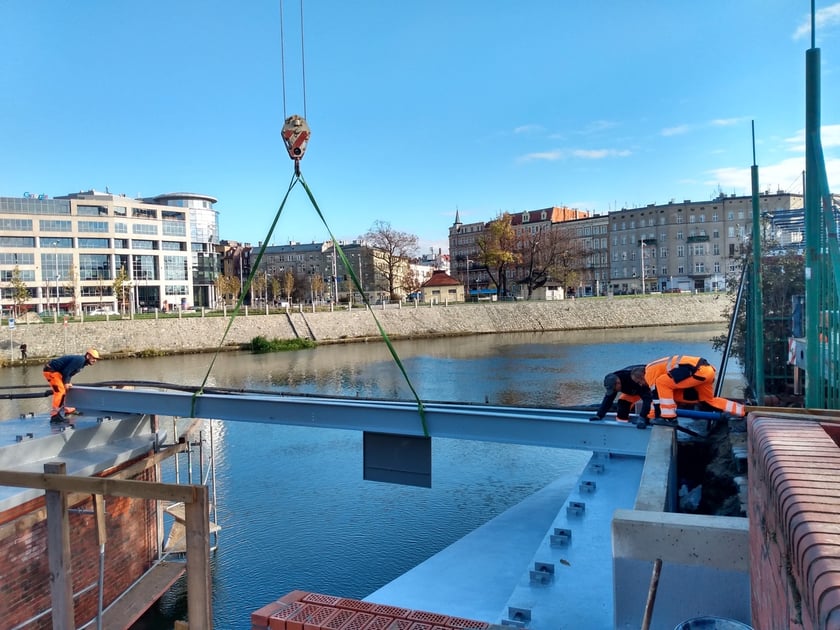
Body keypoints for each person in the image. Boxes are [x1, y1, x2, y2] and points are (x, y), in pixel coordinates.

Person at [645, 354, 745, 420]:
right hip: (708, 371)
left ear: (640, 377)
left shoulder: (649, 373)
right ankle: (742, 410)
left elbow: (656, 396)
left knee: (662, 383)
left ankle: (668, 417)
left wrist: (654, 416)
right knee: (708, 401)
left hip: (697, 371)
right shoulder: (656, 366)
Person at [42, 348, 100, 423]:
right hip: (51, 372)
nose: (95, 360)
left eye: (96, 359)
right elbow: (66, 371)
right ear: (88, 356)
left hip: (57, 373)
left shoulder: (82, 363)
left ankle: (68, 410)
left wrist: (67, 383)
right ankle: (54, 416)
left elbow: (69, 373)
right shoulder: (80, 360)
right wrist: (66, 383)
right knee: (60, 392)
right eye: (93, 358)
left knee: (65, 390)